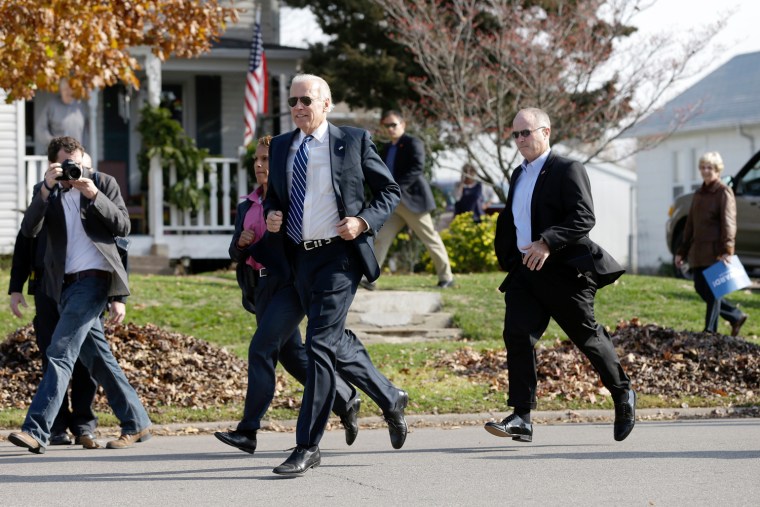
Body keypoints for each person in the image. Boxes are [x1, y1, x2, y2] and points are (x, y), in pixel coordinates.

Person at [263, 74, 408, 477]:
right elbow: (274, 195)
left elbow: (389, 191)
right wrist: (272, 213)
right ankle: (390, 396)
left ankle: (307, 445)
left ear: (326, 103)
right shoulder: (280, 147)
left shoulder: (354, 141)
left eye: (306, 100)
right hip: (296, 259)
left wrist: (363, 221)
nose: (297, 108)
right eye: (292, 101)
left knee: (320, 345)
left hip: (339, 258)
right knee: (329, 339)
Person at [487, 107, 635, 444]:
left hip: (564, 271)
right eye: (515, 134)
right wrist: (511, 256)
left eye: (526, 132)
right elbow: (513, 217)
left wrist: (547, 243)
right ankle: (522, 416)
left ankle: (623, 394)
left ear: (546, 132)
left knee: (588, 338)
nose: (520, 139)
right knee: (517, 335)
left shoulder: (567, 168)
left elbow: (584, 216)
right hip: (526, 271)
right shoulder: (518, 175)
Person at [215, 135, 361, 454]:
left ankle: (248, 430)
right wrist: (241, 243)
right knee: (293, 357)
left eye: (266, 159)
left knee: (261, 348)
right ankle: (344, 398)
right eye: (257, 159)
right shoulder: (246, 204)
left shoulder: (290, 200)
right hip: (260, 286)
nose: (259, 164)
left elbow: (297, 242)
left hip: (290, 283)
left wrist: (276, 230)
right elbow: (235, 253)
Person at [8, 136, 150, 454]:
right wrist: (45, 189)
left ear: (85, 159)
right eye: (67, 164)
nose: (75, 169)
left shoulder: (103, 183)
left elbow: (123, 227)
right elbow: (28, 231)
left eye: (79, 162)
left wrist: (93, 194)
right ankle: (136, 421)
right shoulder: (47, 191)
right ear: (53, 165)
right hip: (61, 287)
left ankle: (36, 430)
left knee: (59, 352)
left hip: (94, 282)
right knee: (98, 359)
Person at [363, 110, 454, 289]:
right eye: (387, 125)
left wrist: (395, 189)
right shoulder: (388, 148)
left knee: (430, 239)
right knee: (381, 238)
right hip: (393, 204)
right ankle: (371, 280)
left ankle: (447, 278)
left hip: (413, 202)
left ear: (403, 125)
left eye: (393, 125)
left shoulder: (413, 143)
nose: (390, 129)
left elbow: (417, 168)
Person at [675, 152, 748, 336]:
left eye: (710, 168)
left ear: (717, 170)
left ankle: (710, 331)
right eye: (703, 167)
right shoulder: (699, 194)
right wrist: (682, 252)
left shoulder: (724, 192)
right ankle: (735, 315)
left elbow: (729, 223)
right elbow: (690, 224)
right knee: (700, 287)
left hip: (716, 250)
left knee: (715, 291)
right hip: (698, 250)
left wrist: (727, 250)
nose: (705, 171)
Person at [35, 78, 89, 151]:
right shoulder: (52, 106)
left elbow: (86, 129)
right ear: (61, 91)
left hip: (77, 152)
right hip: (58, 152)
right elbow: (40, 128)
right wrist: (52, 141)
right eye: (65, 89)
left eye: (71, 89)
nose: (68, 92)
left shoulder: (80, 107)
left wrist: (84, 146)